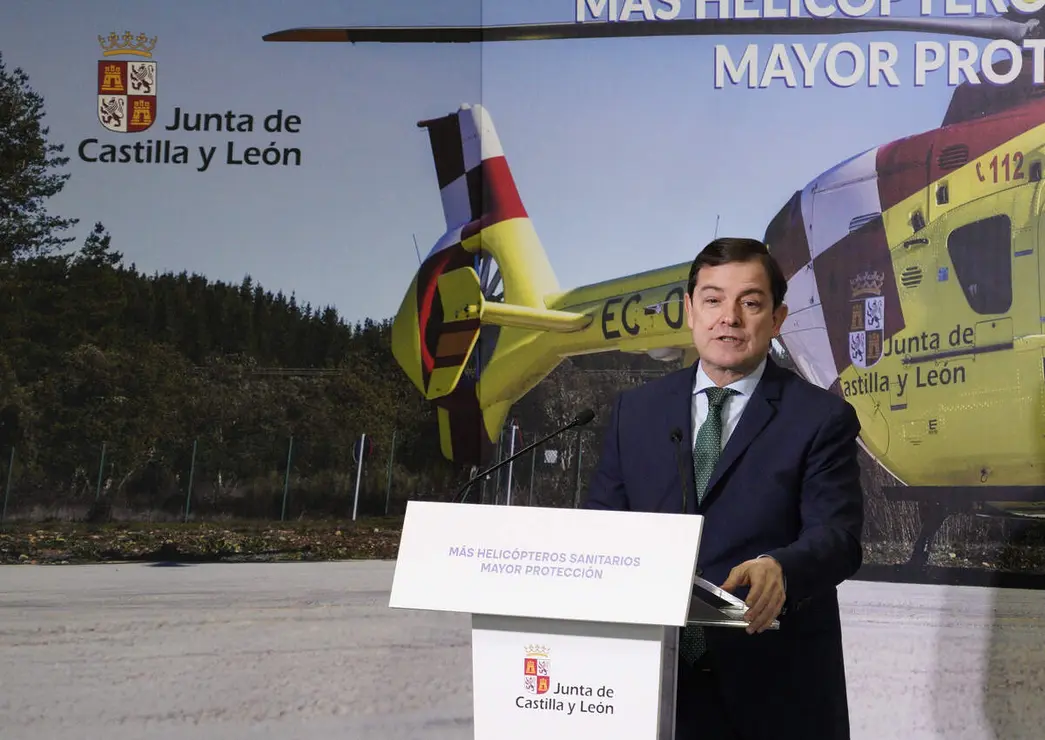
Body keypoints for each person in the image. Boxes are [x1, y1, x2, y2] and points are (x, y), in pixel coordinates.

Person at [583, 237, 864, 740]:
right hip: (649, 692)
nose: (728, 317)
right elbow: (601, 529)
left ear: (776, 319)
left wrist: (783, 568)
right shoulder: (636, 413)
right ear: (690, 310)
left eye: (749, 302)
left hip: (773, 695)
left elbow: (838, 538)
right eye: (712, 300)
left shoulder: (821, 419)